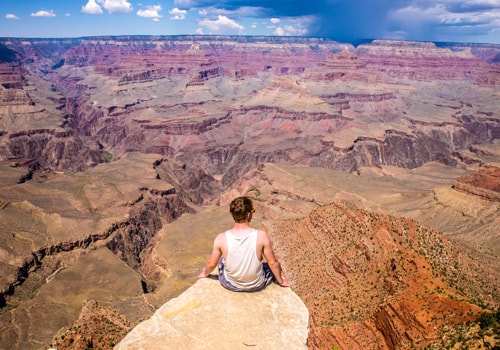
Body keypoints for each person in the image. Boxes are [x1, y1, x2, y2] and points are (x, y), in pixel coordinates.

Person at [197, 196, 290, 292]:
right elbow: (273, 263)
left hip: (231, 284)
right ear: (249, 214)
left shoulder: (221, 238)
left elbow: (211, 264)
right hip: (257, 284)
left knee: (221, 261)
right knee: (266, 266)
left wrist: (204, 274)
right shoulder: (262, 236)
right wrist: (281, 281)